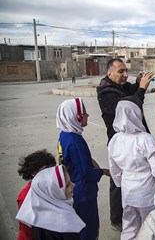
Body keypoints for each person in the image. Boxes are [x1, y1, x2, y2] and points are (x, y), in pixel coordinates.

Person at [97, 58, 154, 231]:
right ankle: (117, 219)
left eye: (125, 71)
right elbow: (128, 106)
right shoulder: (106, 92)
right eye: (120, 71)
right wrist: (142, 88)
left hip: (133, 138)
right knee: (118, 179)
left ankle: (134, 210)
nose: (124, 75)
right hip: (119, 141)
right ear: (109, 73)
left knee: (136, 173)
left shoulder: (121, 86)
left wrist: (137, 83)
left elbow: (131, 91)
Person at [108, 100, 155, 240]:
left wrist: (120, 183)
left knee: (129, 225)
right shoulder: (146, 139)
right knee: (150, 225)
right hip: (146, 190)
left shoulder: (115, 140)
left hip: (127, 189)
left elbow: (114, 169)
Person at [56, 98, 110, 240]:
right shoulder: (75, 141)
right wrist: (103, 171)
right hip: (83, 192)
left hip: (74, 188)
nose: (87, 116)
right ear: (76, 116)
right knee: (88, 228)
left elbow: (73, 160)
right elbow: (85, 172)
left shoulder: (65, 134)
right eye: (84, 113)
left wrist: (90, 160)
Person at [16, 165, 85, 240]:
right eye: (67, 185)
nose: (73, 185)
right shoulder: (65, 223)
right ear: (53, 192)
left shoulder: (35, 215)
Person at [16, 149, 56, 240]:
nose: (51, 172)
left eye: (52, 167)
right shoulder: (25, 197)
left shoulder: (53, 186)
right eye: (46, 169)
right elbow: (27, 229)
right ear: (33, 173)